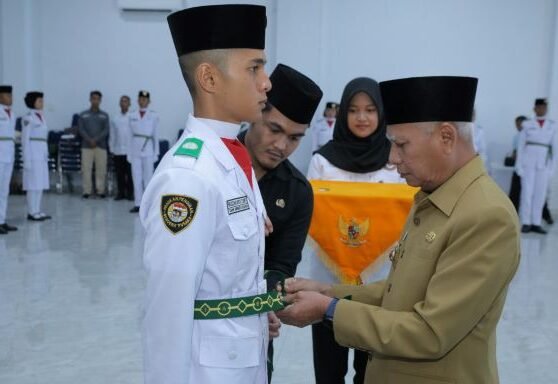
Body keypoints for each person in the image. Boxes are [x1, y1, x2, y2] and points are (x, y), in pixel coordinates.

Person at [277, 76, 520, 384]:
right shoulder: (430, 199)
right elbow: (400, 291)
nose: (392, 158)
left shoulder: (486, 216)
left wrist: (329, 309)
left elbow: (430, 333)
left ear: (446, 138)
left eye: (401, 145)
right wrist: (327, 290)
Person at [140, 5, 280, 384]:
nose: (266, 82)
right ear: (209, 78)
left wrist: (250, 308)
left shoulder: (233, 159)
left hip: (241, 357)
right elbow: (167, 308)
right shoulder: (188, 178)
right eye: (254, 68)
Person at [306, 77, 404, 384]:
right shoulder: (322, 160)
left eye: (370, 110)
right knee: (328, 369)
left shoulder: (396, 160)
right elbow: (312, 215)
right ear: (344, 114)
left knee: (370, 370)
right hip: (328, 279)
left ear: (381, 114)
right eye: (354, 110)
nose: (362, 118)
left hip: (378, 282)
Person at [239, 63, 323, 382]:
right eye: (274, 129)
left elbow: (281, 267)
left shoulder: (297, 192)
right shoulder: (213, 164)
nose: (282, 146)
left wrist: (267, 304)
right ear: (256, 112)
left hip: (256, 321)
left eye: (295, 138)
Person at [516, 98, 557, 234]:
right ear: (534, 109)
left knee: (540, 193)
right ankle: (526, 222)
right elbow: (521, 146)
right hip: (528, 163)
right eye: (539, 107)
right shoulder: (527, 124)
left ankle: (536, 222)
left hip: (544, 164)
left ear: (546, 109)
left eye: (544, 107)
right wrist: (519, 165)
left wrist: (552, 168)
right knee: (527, 192)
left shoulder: (552, 125)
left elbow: (555, 149)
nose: (541, 110)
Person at [21, 92, 52, 221]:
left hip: (41, 154)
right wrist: (26, 159)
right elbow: (25, 139)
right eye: (39, 101)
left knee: (40, 184)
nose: (42, 103)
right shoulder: (28, 118)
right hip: (33, 154)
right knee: (32, 185)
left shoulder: (42, 117)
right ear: (32, 102)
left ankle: (37, 209)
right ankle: (31, 211)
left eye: (42, 100)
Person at [128, 90, 159, 212]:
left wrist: (156, 152)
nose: (143, 101)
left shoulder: (154, 115)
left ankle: (148, 204)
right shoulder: (131, 116)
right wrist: (129, 153)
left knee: (148, 178)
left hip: (148, 150)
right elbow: (129, 136)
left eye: (145, 99)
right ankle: (137, 203)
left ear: (149, 101)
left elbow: (156, 135)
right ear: (137, 100)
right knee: (136, 177)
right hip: (135, 150)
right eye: (141, 99)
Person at [78, 90, 109, 198]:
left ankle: (100, 191)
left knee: (101, 169)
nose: (95, 101)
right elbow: (81, 129)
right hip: (86, 146)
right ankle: (87, 191)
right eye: (93, 98)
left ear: (100, 100)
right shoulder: (83, 115)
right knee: (86, 169)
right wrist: (89, 140)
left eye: (97, 99)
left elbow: (106, 130)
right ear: (90, 99)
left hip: (101, 146)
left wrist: (95, 140)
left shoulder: (104, 116)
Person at [0, 85, 17, 235]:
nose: (10, 98)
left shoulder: (12, 113)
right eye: (7, 95)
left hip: (8, 153)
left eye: (11, 95)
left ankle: (2, 220)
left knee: (4, 190)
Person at [109, 95, 134, 201]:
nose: (124, 103)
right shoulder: (115, 118)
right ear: (120, 104)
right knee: (119, 174)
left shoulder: (133, 117)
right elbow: (112, 134)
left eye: (126, 101)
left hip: (130, 151)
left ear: (129, 104)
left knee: (130, 174)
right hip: (118, 150)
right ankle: (120, 193)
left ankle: (130, 194)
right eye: (122, 101)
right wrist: (111, 148)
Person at [508, 115, 527, 211]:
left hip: (528, 168)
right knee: (515, 191)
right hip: (518, 168)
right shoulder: (516, 136)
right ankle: (514, 211)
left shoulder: (530, 136)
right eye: (516, 124)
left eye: (519, 124)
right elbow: (514, 152)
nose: (517, 126)